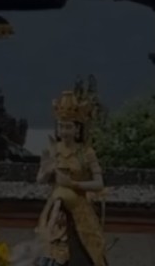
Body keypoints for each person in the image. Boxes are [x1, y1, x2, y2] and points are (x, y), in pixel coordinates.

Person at [34, 85, 108, 265]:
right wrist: (47, 170)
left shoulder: (86, 153)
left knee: (84, 253)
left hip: (80, 208)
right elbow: (40, 179)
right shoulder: (53, 151)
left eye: (68, 127)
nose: (65, 131)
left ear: (77, 130)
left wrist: (73, 184)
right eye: (61, 127)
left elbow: (99, 183)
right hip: (57, 211)